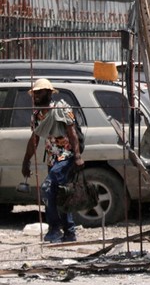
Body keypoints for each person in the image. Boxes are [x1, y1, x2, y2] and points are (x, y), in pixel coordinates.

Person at [21, 78, 82, 244]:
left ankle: (54, 229)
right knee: (60, 194)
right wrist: (26, 161)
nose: (35, 96)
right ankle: (69, 232)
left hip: (66, 157)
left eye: (38, 93)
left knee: (47, 188)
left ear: (48, 93)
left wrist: (77, 156)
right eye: (34, 93)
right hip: (52, 160)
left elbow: (72, 133)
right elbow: (34, 139)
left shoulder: (61, 109)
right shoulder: (37, 115)